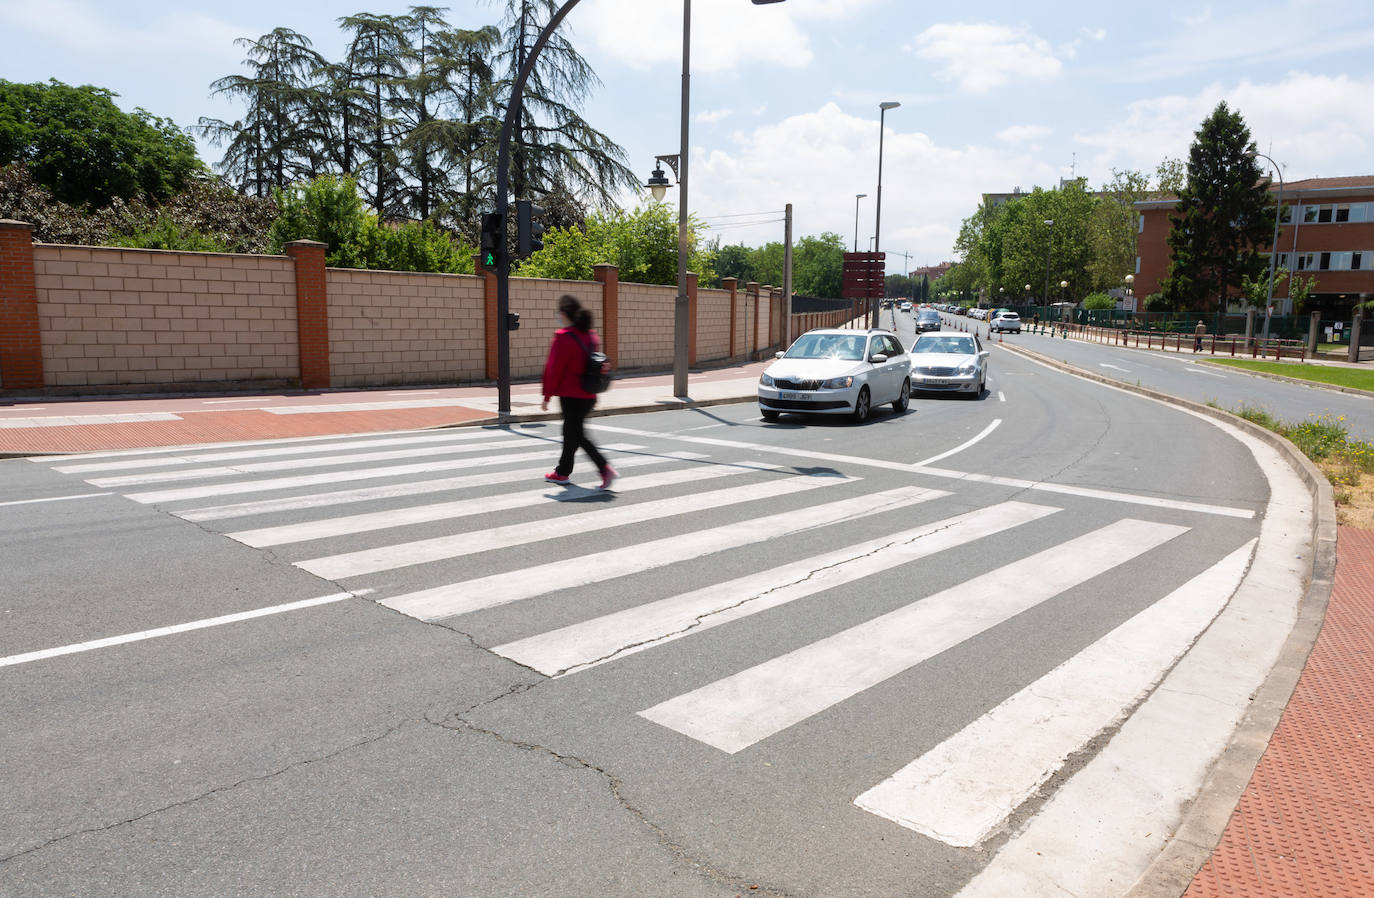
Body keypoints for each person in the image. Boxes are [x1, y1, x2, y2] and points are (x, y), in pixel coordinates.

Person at [541, 294, 616, 489]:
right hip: (588, 395)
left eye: (559, 312)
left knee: (575, 434)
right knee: (572, 433)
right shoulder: (591, 335)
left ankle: (603, 468)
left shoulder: (563, 337)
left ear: (565, 313)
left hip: (571, 395)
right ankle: (562, 472)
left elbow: (553, 369)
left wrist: (547, 396)